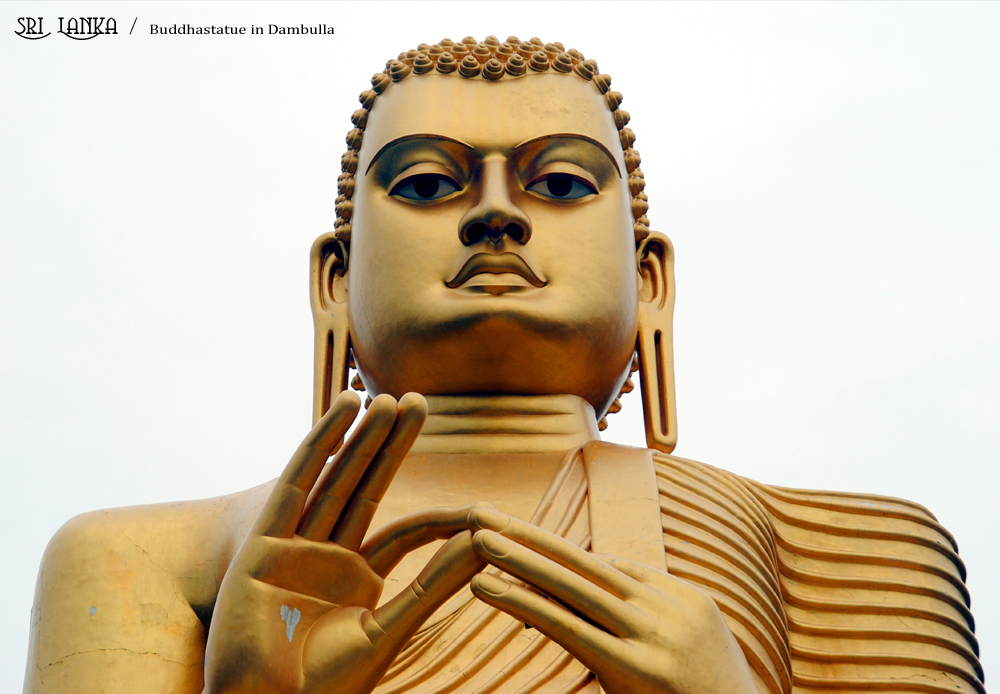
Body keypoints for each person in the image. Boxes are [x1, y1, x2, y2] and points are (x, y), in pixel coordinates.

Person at [23, 36, 984, 694]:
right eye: (428, 183)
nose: (495, 214)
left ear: (650, 283)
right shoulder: (146, 561)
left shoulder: (850, 545)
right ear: (335, 280)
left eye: (560, 182)